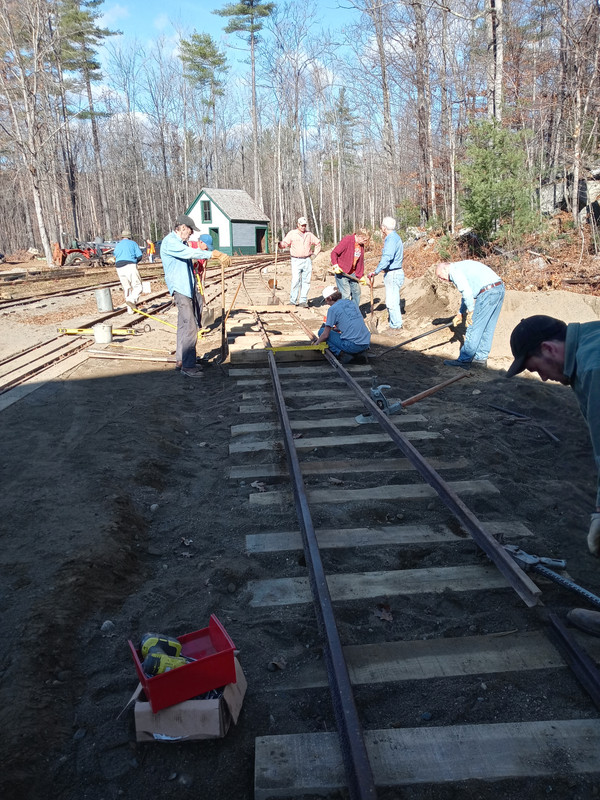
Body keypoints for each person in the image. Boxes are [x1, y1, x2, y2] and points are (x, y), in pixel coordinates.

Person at [506, 315, 600, 556]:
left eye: (537, 368)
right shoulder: (590, 339)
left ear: (548, 349)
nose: (544, 378)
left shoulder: (593, 368)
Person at [160, 214, 213, 378]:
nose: (191, 234)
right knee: (191, 326)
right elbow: (188, 252)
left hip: (187, 288)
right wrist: (212, 254)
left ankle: (181, 360)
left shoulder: (180, 242)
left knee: (183, 326)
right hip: (180, 289)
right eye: (190, 230)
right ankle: (188, 366)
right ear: (183, 228)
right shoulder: (170, 242)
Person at [435, 259, 505, 368]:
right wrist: (460, 313)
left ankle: (464, 360)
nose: (441, 279)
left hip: (487, 293)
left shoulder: (454, 271)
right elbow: (467, 294)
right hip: (498, 289)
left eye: (440, 276)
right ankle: (480, 359)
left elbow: (466, 293)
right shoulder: (461, 267)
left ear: (445, 269)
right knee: (487, 328)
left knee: (473, 327)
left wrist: (471, 312)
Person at [314, 286, 371, 363]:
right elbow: (350, 322)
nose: (326, 303)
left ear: (330, 298)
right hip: (366, 343)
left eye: (326, 300)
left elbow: (325, 335)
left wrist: (316, 343)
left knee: (321, 331)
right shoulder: (351, 303)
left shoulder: (332, 309)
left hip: (352, 346)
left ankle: (342, 354)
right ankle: (360, 353)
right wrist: (335, 329)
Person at [367, 216, 404, 330]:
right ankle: (395, 324)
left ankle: (396, 326)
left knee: (391, 302)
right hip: (395, 272)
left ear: (384, 227)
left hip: (393, 273)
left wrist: (376, 271)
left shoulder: (391, 239)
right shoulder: (395, 237)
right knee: (393, 301)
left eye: (382, 226)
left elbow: (387, 257)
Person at [279, 216, 321, 307]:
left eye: (304, 225)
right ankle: (293, 301)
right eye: (302, 225)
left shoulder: (309, 234)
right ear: (298, 224)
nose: (303, 227)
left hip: (307, 260)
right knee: (295, 280)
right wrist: (280, 244)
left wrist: (315, 254)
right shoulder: (292, 233)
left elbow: (318, 243)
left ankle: (303, 300)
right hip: (296, 260)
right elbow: (285, 243)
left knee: (306, 281)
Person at [331, 229, 370, 307]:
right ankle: (344, 312)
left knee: (356, 292)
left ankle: (353, 310)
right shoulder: (348, 240)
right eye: (364, 240)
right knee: (345, 294)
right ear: (359, 236)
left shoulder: (361, 245)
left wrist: (360, 276)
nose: (365, 242)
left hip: (352, 273)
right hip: (342, 272)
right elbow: (334, 253)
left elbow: (360, 261)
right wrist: (335, 265)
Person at [113, 230, 143, 313]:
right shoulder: (133, 243)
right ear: (130, 236)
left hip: (119, 267)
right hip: (130, 265)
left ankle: (130, 310)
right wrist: (135, 262)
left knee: (127, 288)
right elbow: (139, 256)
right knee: (138, 286)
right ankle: (132, 300)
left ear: (122, 236)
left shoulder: (118, 245)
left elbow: (115, 255)